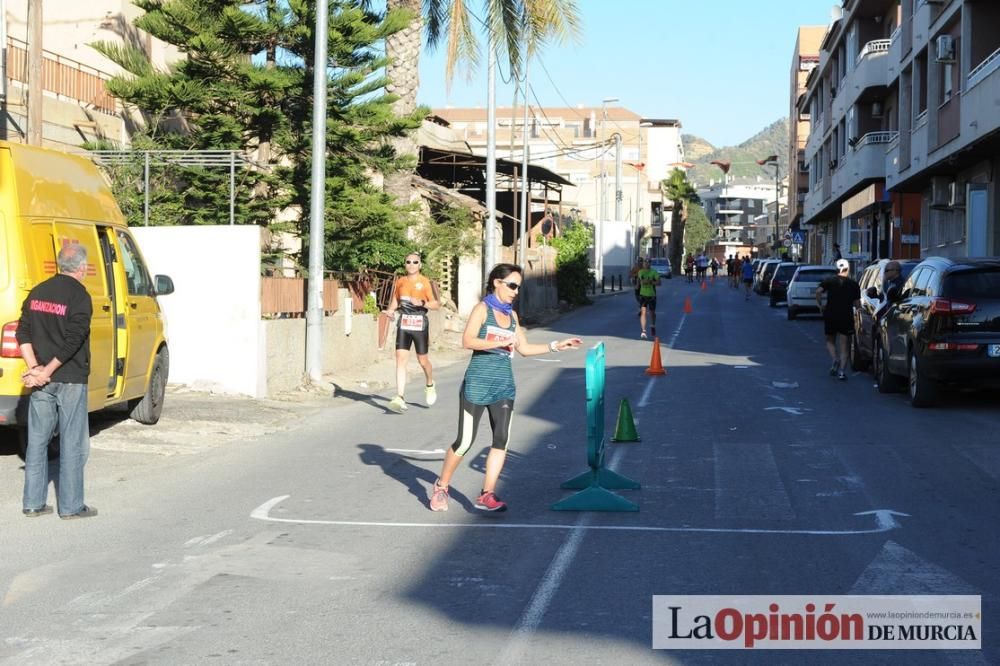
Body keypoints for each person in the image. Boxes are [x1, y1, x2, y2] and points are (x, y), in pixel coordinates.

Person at [428, 264, 582, 512]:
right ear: (496, 282)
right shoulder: (483, 309)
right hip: (477, 384)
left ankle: (487, 494)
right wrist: (498, 341)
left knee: (501, 440)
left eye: (518, 287)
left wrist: (557, 345)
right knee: (465, 441)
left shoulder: (512, 316)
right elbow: (467, 341)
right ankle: (442, 486)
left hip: (504, 386)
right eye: (512, 285)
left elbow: (524, 348)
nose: (515, 291)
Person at [16, 244, 96, 519]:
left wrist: (35, 369)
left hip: (41, 380)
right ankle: (72, 507)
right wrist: (47, 370)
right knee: (73, 442)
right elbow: (74, 341)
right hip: (70, 378)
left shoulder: (37, 292)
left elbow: (22, 331)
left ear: (59, 265)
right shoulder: (80, 296)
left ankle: (33, 504)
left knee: (37, 442)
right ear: (82, 268)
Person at [384, 253, 440, 413]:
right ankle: (400, 397)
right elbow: (396, 300)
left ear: (420, 265)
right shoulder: (400, 281)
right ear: (405, 264)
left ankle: (430, 384)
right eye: (408, 262)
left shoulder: (425, 282)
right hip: (404, 323)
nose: (411, 264)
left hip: (419, 323)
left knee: (423, 361)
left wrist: (422, 302)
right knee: (400, 360)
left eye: (415, 262)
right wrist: (390, 310)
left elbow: (437, 304)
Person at [816, 258, 861, 381]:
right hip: (846, 316)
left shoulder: (829, 281)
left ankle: (834, 358)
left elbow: (818, 291)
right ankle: (842, 372)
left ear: (836, 269)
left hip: (831, 314)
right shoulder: (853, 284)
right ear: (848, 269)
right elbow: (857, 304)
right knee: (844, 345)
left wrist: (820, 305)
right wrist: (859, 312)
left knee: (830, 340)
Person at [636, 258, 661, 339]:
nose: (647, 263)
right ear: (643, 263)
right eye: (645, 262)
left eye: (648, 262)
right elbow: (639, 282)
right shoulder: (640, 272)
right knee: (643, 312)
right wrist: (637, 286)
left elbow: (659, 283)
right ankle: (643, 331)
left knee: (652, 313)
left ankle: (653, 325)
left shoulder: (654, 272)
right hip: (643, 295)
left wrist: (650, 282)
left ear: (650, 264)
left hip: (652, 295)